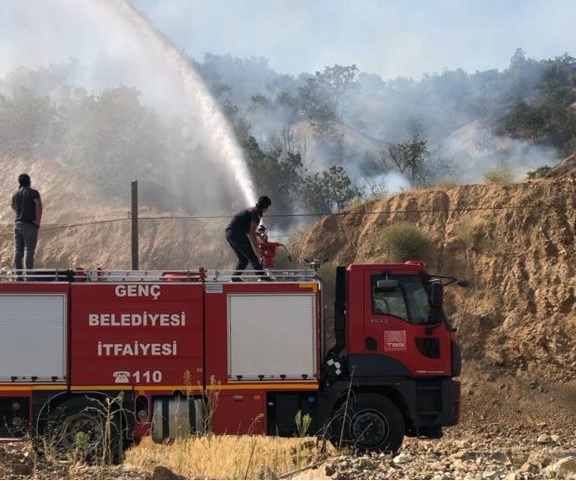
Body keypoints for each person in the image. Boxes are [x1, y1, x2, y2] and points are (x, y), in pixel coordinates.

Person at [225, 195, 272, 281]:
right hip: (237, 234)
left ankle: (235, 278)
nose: (267, 210)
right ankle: (263, 277)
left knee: (243, 259)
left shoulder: (252, 210)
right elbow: (251, 232)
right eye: (268, 207)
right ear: (265, 207)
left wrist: (258, 235)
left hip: (230, 233)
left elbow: (250, 229)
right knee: (253, 257)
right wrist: (256, 247)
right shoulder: (256, 213)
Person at [11, 173, 42, 276]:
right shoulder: (33, 193)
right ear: (29, 181)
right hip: (30, 225)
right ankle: (28, 277)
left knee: (18, 251)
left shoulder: (15, 194)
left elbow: (12, 205)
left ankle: (18, 277)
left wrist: (20, 213)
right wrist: (37, 221)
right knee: (29, 251)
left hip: (17, 224)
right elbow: (38, 204)